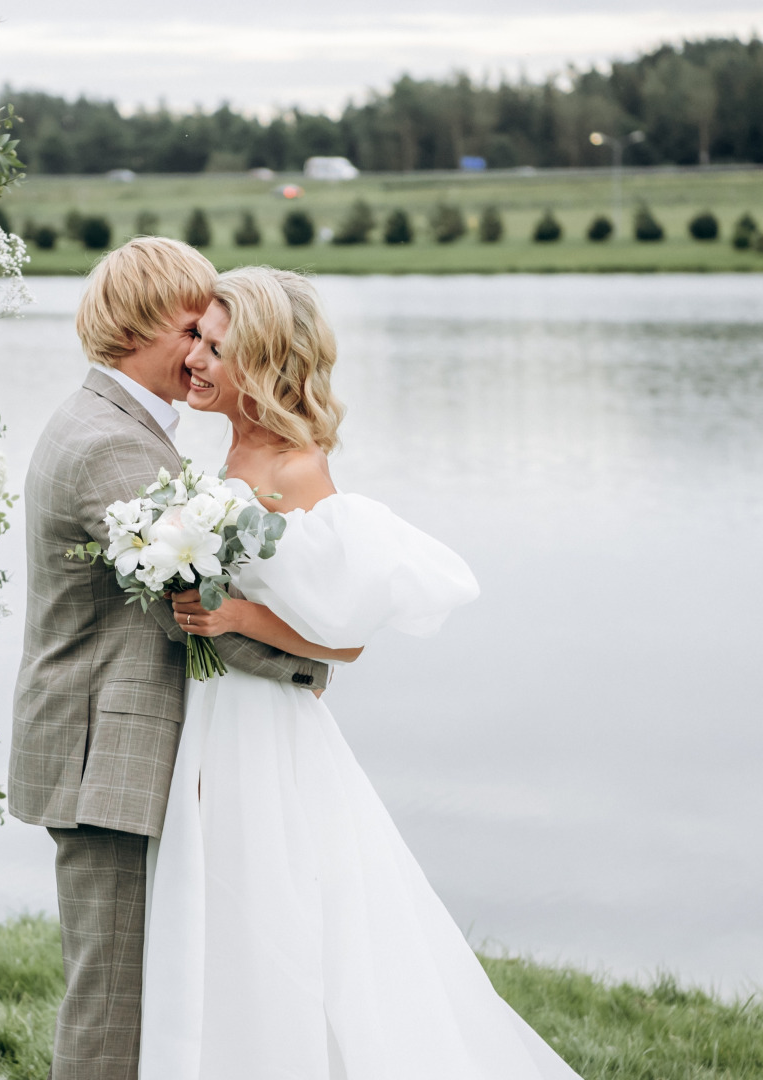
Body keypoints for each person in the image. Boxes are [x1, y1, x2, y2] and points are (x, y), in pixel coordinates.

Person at [139, 267, 583, 1080]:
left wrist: (235, 617)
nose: (195, 359)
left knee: (272, 900)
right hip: (213, 709)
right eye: (197, 339)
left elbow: (343, 639)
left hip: (262, 724)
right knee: (222, 901)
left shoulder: (294, 468)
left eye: (216, 348)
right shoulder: (229, 448)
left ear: (263, 362)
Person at [9, 238, 330, 1080]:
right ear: (148, 326)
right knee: (113, 1007)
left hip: (106, 754)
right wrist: (315, 657)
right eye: (193, 329)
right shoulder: (115, 446)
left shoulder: (111, 423)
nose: (201, 352)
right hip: (105, 762)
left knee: (140, 997)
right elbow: (188, 611)